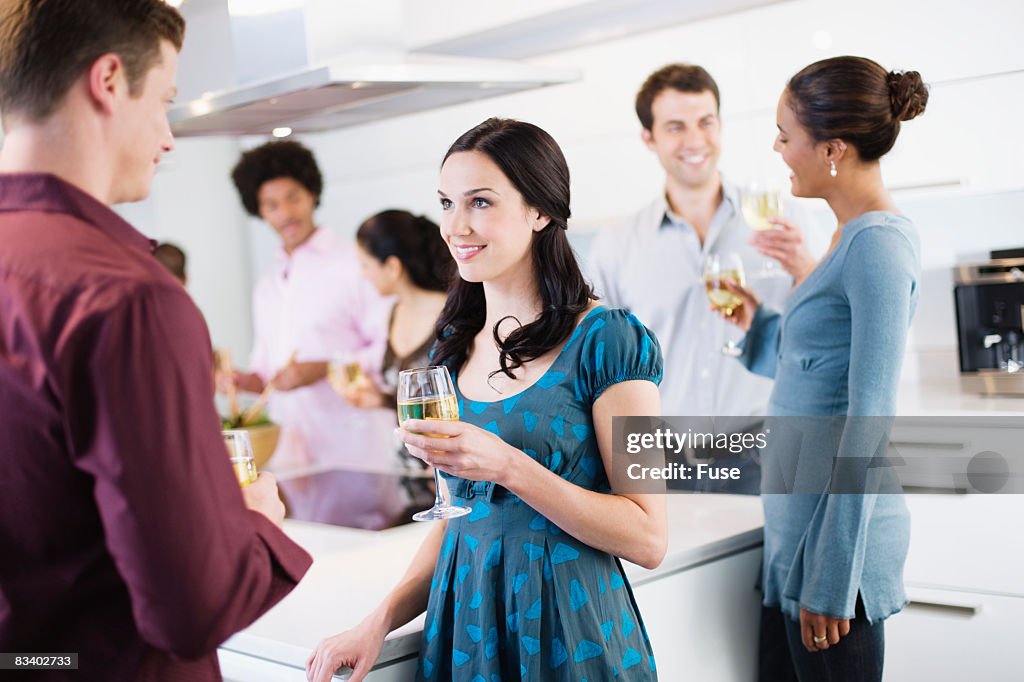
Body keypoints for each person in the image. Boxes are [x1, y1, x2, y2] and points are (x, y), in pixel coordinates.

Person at [0, 2, 312, 680]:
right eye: (164, 100)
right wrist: (256, 519)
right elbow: (191, 609)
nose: (168, 137)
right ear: (108, 81)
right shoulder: (126, 296)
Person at [307, 118, 667, 682]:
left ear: (541, 210)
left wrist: (508, 466)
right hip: (468, 630)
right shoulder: (452, 351)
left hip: (570, 633)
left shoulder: (610, 340)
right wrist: (378, 621)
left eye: (480, 202)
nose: (455, 226)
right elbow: (458, 520)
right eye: (447, 203)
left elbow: (648, 536)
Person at [718, 56, 928, 681]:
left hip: (834, 553)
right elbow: (816, 365)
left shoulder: (878, 245)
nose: (778, 148)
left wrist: (832, 580)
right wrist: (755, 323)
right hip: (799, 526)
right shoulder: (846, 236)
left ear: (832, 147)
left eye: (787, 135)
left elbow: (868, 420)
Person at [588, 64, 819, 492]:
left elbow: (823, 330)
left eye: (705, 122)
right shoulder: (618, 245)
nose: (695, 140)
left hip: (766, 448)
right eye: (675, 127)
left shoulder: (784, 219)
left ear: (721, 125)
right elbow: (601, 364)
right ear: (649, 138)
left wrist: (806, 269)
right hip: (661, 458)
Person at [226, 140, 404, 530]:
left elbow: (390, 351)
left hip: (354, 451)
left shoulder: (353, 265)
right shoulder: (269, 284)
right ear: (259, 212)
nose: (286, 212)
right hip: (291, 459)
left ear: (312, 194)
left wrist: (324, 368)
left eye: (293, 197)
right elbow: (267, 374)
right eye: (272, 205)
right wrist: (240, 380)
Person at [339, 209, 454, 513]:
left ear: (392, 266)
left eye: (366, 265)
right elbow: (415, 404)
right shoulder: (394, 313)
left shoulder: (453, 318)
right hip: (407, 474)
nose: (363, 275)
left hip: (447, 477)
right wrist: (379, 399)